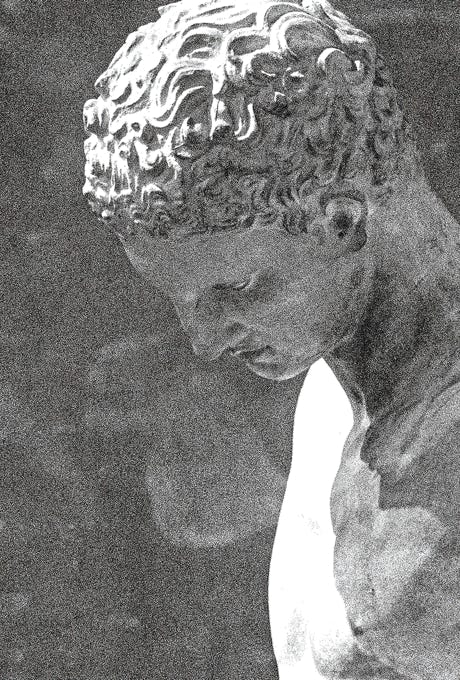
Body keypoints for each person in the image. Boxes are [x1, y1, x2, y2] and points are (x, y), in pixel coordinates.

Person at [83, 0, 460, 677]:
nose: (204, 344)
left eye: (234, 288)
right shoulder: (328, 392)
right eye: (179, 300)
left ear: (342, 220)